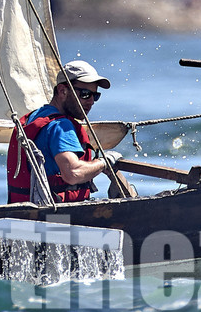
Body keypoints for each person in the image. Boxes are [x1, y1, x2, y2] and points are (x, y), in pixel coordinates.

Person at [6, 59, 121, 204]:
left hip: (25, 216)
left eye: (95, 96)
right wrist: (104, 162)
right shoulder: (60, 126)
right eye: (85, 94)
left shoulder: (36, 116)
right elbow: (73, 173)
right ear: (62, 91)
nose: (91, 101)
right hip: (56, 219)